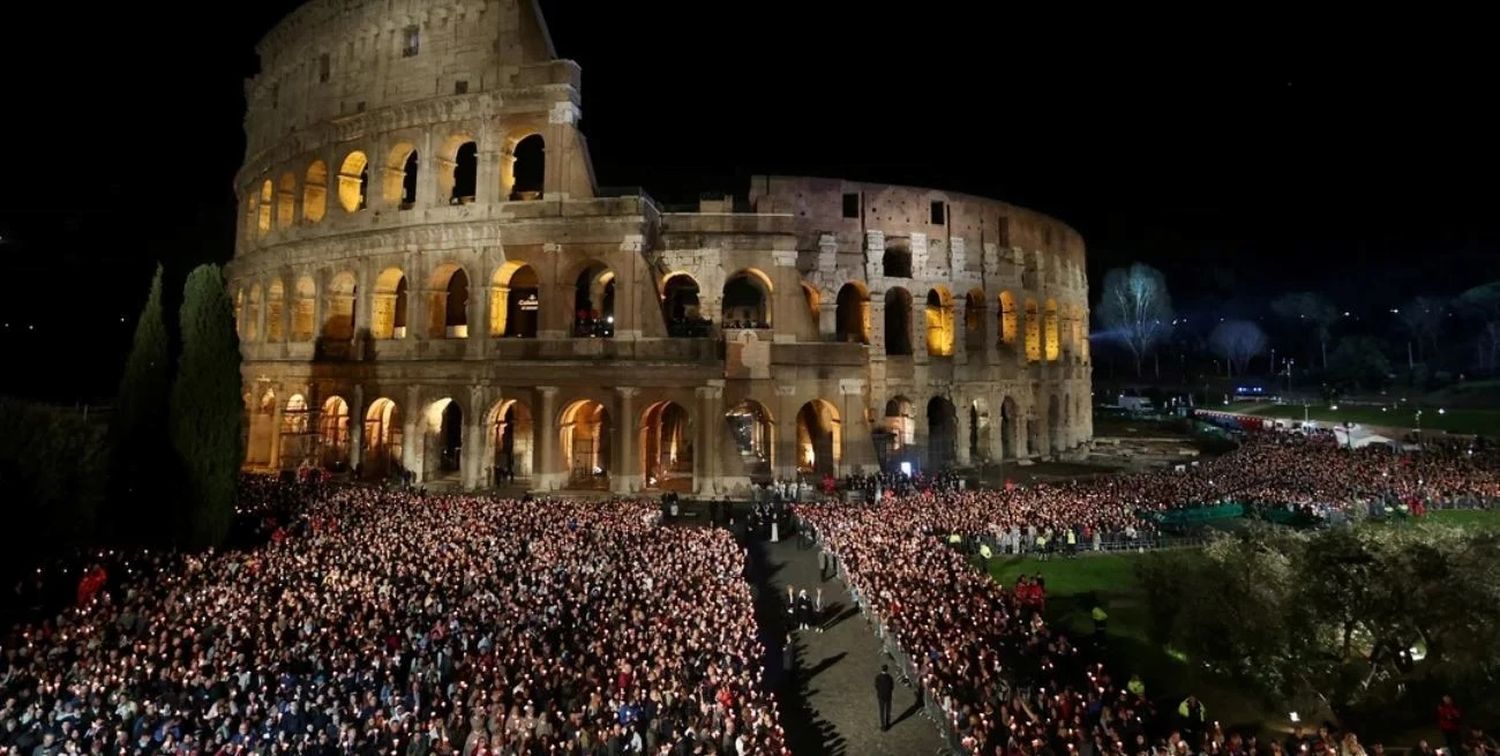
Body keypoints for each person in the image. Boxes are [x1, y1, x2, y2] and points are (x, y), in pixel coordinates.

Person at [875, 665, 894, 731]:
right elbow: (892, 687)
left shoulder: (878, 677)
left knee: (882, 711)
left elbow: (876, 686)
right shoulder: (890, 677)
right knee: (888, 710)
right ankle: (888, 723)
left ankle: (883, 726)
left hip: (881, 696)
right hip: (888, 696)